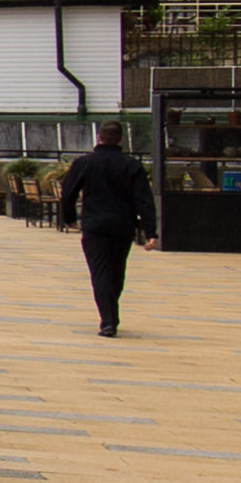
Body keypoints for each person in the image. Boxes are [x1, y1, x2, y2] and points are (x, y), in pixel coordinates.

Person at [65, 126, 154, 337]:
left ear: (99, 137)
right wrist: (151, 231)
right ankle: (110, 313)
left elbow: (68, 193)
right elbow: (144, 199)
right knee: (116, 270)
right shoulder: (132, 165)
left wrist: (69, 219)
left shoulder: (84, 163)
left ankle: (108, 320)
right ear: (121, 139)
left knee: (100, 272)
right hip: (123, 225)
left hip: (95, 225)